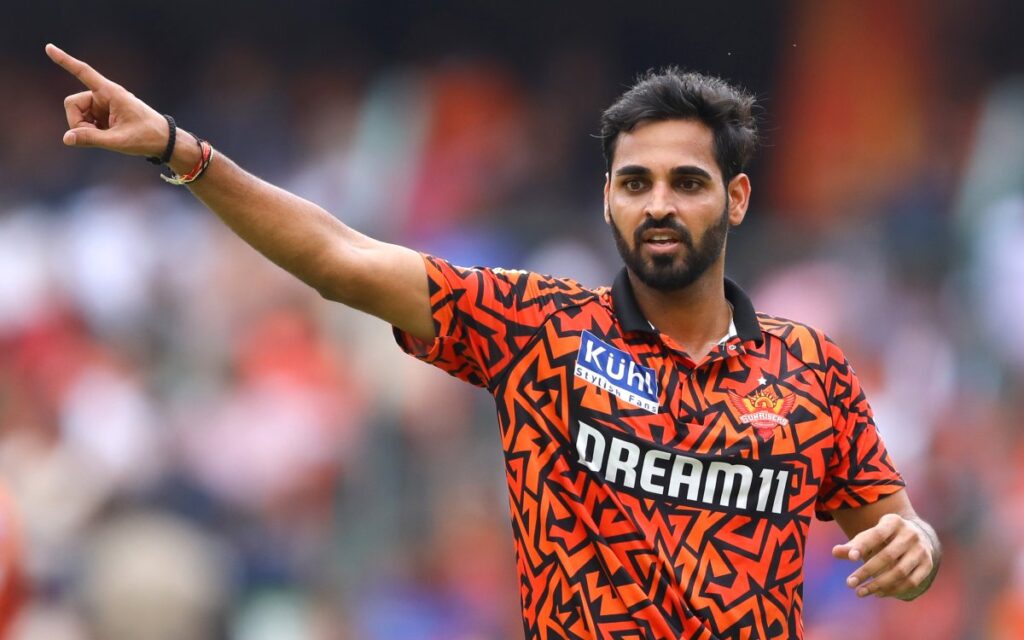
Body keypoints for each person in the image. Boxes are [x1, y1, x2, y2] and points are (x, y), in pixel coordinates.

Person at [46, 43, 940, 639]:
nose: (659, 204)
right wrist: (180, 150)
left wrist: (918, 551)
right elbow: (339, 259)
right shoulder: (539, 327)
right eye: (635, 182)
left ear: (736, 199)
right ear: (607, 200)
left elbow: (898, 544)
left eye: (687, 182)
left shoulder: (811, 368)